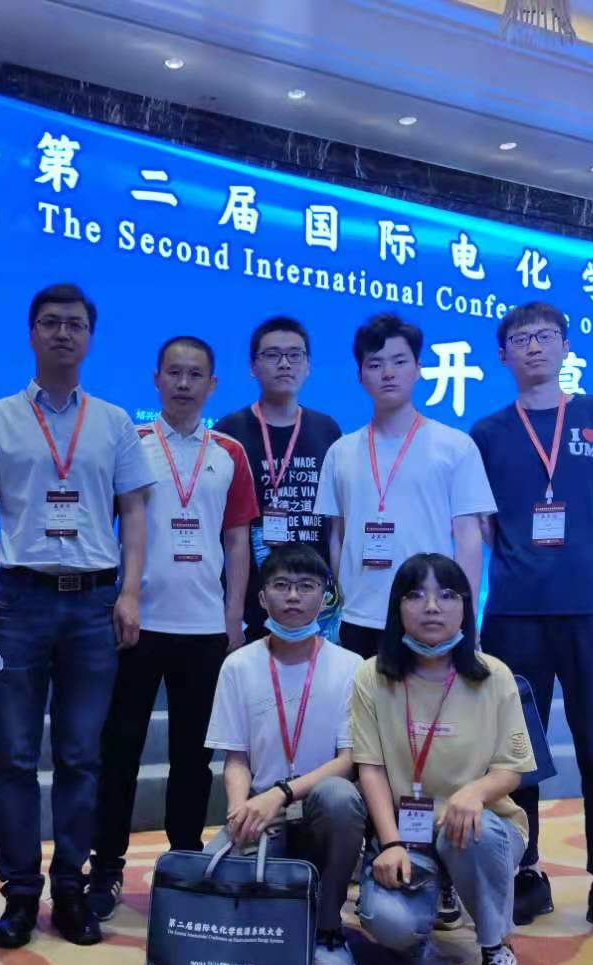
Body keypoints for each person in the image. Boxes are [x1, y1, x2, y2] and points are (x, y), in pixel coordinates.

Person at [0, 283, 155, 949]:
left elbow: (134, 513)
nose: (63, 333)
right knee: (15, 755)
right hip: (18, 598)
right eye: (50, 322)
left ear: (90, 337)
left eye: (75, 324)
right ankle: (20, 893)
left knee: (80, 754)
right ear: (31, 333)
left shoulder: (113, 422)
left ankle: (70, 889)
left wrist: (130, 594)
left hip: (94, 602)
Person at [469, 301, 593, 948]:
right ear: (503, 355)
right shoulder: (488, 431)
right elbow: (484, 522)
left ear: (564, 346)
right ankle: (525, 872)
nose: (534, 347)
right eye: (521, 338)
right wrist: (526, 560)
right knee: (516, 753)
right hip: (515, 611)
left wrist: (585, 552)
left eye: (545, 336)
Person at [87, 335, 258, 919]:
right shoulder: (131, 444)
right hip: (137, 623)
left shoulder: (229, 452)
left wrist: (233, 619)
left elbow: (237, 541)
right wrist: (120, 597)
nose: (184, 384)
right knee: (120, 751)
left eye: (195, 375)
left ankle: (184, 859)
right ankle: (106, 866)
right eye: (174, 373)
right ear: (156, 379)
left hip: (206, 629)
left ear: (213, 385)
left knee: (193, 758)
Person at [351, 553, 537, 965]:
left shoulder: (493, 676)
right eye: (416, 595)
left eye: (447, 595)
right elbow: (371, 768)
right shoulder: (372, 676)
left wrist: (474, 791)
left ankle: (496, 949)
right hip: (409, 837)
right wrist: (390, 842)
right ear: (397, 607)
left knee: (473, 829)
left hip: (481, 830)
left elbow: (512, 769)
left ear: (465, 606)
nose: (432, 606)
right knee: (390, 924)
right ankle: (438, 890)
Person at [203, 543, 366, 965]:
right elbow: (236, 757)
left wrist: (283, 793)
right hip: (263, 811)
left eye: (306, 586)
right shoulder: (238, 665)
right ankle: (287, 897)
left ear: (325, 597)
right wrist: (239, 809)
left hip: (317, 807)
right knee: (217, 894)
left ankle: (328, 927)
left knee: (341, 797)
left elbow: (348, 761)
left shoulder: (351, 667)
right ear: (262, 597)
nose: (293, 596)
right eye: (281, 585)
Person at [315, 313, 496, 661]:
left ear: (418, 369)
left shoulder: (455, 446)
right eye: (375, 364)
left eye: (399, 361)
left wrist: (466, 617)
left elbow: (468, 539)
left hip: (431, 617)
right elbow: (337, 536)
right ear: (360, 375)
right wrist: (345, 601)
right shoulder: (340, 452)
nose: (388, 373)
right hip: (358, 618)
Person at [213, 316, 342, 643]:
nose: (284, 364)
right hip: (249, 596)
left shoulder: (327, 429)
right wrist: (232, 611)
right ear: (252, 367)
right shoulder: (230, 431)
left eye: (295, 355)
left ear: (308, 365)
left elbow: (335, 525)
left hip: (316, 599)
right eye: (272, 355)